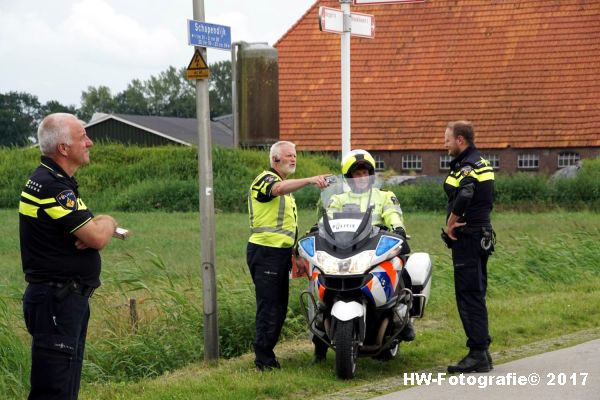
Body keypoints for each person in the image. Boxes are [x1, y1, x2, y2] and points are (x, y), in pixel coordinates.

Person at [19, 113, 119, 399]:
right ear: (64, 148)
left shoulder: (52, 180)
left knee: (64, 386)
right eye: (82, 137)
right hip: (57, 301)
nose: (90, 142)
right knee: (54, 390)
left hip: (62, 299)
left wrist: (92, 227)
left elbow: (87, 230)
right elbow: (97, 237)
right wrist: (108, 221)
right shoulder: (53, 187)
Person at [312, 149, 414, 363]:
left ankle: (404, 317)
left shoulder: (384, 196)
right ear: (349, 178)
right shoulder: (338, 199)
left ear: (371, 175)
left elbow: (393, 214)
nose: (361, 178)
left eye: (364, 174)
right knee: (319, 275)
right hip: (345, 249)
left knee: (400, 268)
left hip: (376, 246)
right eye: (356, 175)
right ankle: (320, 329)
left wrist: (398, 228)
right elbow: (327, 219)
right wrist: (316, 228)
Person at [247, 140, 329, 371]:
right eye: (289, 155)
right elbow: (277, 189)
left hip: (280, 253)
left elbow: (284, 226)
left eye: (295, 155)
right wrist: (311, 180)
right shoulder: (265, 179)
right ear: (275, 159)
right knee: (270, 306)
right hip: (266, 253)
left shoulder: (285, 185)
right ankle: (263, 361)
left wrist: (296, 255)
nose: (294, 159)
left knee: (279, 306)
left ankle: (266, 356)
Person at [442, 121, 496, 373]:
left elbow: (465, 193)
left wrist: (451, 224)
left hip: (468, 236)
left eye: (447, 140)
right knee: (476, 292)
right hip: (481, 234)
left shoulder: (467, 165)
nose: (445, 144)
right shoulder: (481, 161)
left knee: (468, 295)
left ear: (460, 139)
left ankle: (477, 354)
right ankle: (482, 350)